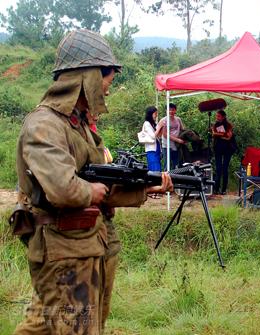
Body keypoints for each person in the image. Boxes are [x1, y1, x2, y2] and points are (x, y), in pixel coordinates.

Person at [11, 29, 173, 335]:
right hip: (63, 251)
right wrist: (90, 191)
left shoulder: (78, 125)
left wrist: (142, 188)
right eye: (106, 80)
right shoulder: (44, 125)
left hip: (85, 244)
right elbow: (64, 189)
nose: (108, 90)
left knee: (49, 326)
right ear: (86, 76)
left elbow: (100, 182)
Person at [212, 109, 236, 195]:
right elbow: (213, 134)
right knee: (218, 169)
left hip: (227, 149)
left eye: (218, 116)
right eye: (216, 116)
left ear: (223, 117)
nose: (217, 117)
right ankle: (216, 189)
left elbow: (228, 137)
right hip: (218, 148)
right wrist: (222, 134)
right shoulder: (215, 124)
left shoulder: (228, 125)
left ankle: (224, 189)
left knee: (225, 168)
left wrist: (218, 134)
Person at [157, 103, 185, 169]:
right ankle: (165, 179)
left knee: (176, 164)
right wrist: (177, 140)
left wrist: (185, 137)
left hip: (176, 145)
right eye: (169, 110)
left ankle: (175, 178)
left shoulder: (178, 119)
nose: (171, 111)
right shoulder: (163, 120)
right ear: (166, 111)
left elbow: (182, 129)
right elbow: (165, 134)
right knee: (167, 165)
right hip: (167, 146)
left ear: (175, 110)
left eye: (172, 110)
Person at [142, 106, 162, 172]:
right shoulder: (146, 124)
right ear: (150, 114)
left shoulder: (153, 124)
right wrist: (159, 126)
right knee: (154, 167)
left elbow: (159, 135)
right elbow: (153, 136)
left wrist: (161, 128)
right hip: (151, 149)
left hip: (157, 147)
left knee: (157, 165)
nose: (156, 115)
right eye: (155, 113)